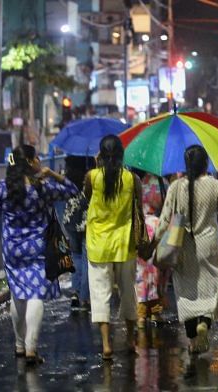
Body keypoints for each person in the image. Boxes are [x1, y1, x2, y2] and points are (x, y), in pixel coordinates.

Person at [0, 145, 78, 365]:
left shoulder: (2, 188)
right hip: (38, 249)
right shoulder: (43, 188)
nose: (40, 160)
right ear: (30, 162)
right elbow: (73, 191)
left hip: (12, 250)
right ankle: (31, 348)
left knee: (18, 294)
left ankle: (19, 346)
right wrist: (53, 174)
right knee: (36, 294)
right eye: (36, 157)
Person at [155, 145, 218, 354]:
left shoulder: (175, 187)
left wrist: (151, 245)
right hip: (209, 244)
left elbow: (164, 220)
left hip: (183, 245)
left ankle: (193, 339)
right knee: (210, 288)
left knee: (187, 291)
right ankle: (205, 322)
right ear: (205, 163)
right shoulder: (216, 185)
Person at [84, 135, 141, 360]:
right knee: (128, 293)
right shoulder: (131, 178)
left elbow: (88, 198)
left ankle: (107, 345)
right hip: (124, 244)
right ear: (121, 154)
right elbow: (139, 206)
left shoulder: (92, 177)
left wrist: (98, 166)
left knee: (100, 294)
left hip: (98, 244)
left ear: (100, 155)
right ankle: (130, 339)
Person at [63, 156, 95, 310]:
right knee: (85, 259)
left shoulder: (67, 179)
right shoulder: (90, 177)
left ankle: (75, 292)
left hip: (70, 221)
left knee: (75, 256)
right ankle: (84, 297)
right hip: (85, 222)